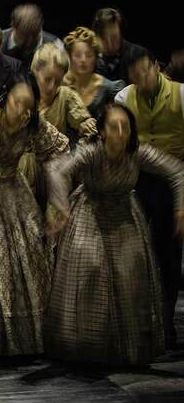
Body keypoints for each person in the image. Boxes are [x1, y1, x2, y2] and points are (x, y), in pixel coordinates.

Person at [45, 103, 184, 365]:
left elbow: (177, 172)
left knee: (130, 276)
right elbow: (57, 170)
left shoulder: (137, 153)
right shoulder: (92, 152)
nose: (120, 133)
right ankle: (87, 346)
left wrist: (180, 208)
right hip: (91, 213)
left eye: (125, 128)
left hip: (124, 216)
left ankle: (124, 346)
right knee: (89, 269)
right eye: (113, 127)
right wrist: (61, 207)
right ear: (103, 132)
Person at [0, 76, 69, 355]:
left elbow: (58, 148)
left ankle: (30, 336)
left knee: (29, 254)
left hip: (16, 191)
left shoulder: (31, 121)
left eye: (28, 104)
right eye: (18, 102)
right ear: (6, 98)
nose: (22, 109)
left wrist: (57, 196)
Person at [115, 47, 184, 349]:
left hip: (174, 179)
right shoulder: (124, 98)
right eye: (135, 74)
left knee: (169, 255)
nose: (142, 78)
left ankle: (166, 321)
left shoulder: (182, 95)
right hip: (139, 181)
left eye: (146, 70)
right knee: (137, 256)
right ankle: (141, 324)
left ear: (157, 66)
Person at [18, 43, 96, 205]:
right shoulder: (21, 93)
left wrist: (85, 127)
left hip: (54, 171)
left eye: (58, 81)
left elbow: (86, 124)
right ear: (34, 72)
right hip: (23, 170)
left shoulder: (65, 96)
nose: (52, 86)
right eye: (47, 79)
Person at [62, 26, 126, 117]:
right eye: (77, 55)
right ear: (70, 57)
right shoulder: (59, 84)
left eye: (89, 55)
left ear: (96, 58)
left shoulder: (109, 89)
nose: (83, 60)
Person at [1, 3, 64, 72]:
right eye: (24, 35)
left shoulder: (56, 45)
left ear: (41, 26)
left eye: (35, 35)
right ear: (13, 27)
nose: (29, 42)